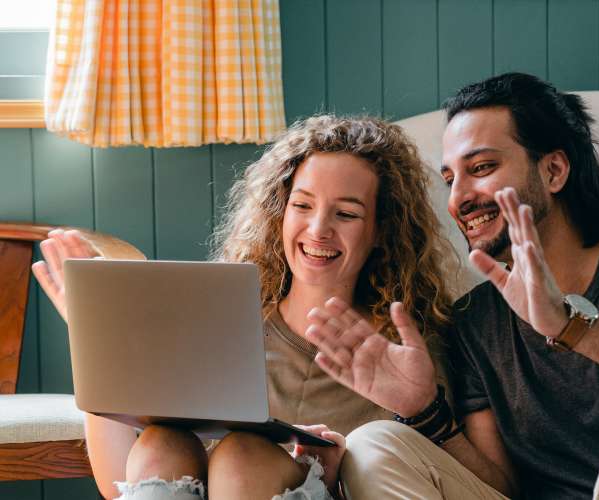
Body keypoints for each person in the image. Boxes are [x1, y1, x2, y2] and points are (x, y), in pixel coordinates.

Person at [304, 73, 599, 500]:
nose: (458, 198)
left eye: (481, 167)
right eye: (450, 179)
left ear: (554, 171)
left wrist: (573, 326)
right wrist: (425, 413)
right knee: (374, 443)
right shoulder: (476, 321)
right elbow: (502, 488)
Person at [31, 115, 455, 500]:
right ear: (279, 213)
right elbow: (118, 484)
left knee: (242, 454)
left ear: (383, 230)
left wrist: (328, 472)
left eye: (346, 213)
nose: (318, 229)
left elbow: (416, 477)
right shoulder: (221, 324)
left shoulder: (405, 354)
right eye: (302, 205)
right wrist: (94, 340)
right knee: (163, 442)